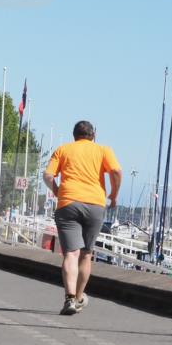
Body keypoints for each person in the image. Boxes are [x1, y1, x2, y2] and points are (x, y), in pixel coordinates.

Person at [43, 120, 122, 316]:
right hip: (95, 204)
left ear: (74, 136)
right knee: (86, 254)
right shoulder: (103, 150)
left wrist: (57, 191)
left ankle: (69, 298)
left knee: (71, 253)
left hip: (68, 202)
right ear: (93, 135)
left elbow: (47, 175)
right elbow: (116, 171)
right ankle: (78, 298)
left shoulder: (63, 149)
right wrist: (113, 194)